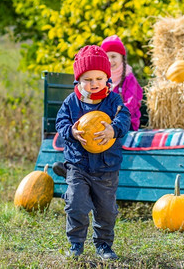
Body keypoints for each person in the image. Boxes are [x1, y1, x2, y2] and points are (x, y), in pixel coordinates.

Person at [54, 45, 131, 260]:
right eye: (88, 79)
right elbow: (60, 122)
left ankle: (104, 245)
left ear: (107, 78)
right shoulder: (71, 102)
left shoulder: (113, 100)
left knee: (106, 210)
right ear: (78, 80)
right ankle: (76, 244)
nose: (94, 83)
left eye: (99, 78)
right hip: (78, 164)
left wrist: (113, 129)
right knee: (76, 204)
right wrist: (71, 132)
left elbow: (125, 119)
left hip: (107, 167)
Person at [101, 35, 143, 131]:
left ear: (122, 58)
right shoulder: (101, 78)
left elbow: (131, 104)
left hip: (126, 120)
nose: (110, 61)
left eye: (113, 56)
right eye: (107, 57)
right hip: (105, 119)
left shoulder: (129, 78)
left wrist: (113, 114)